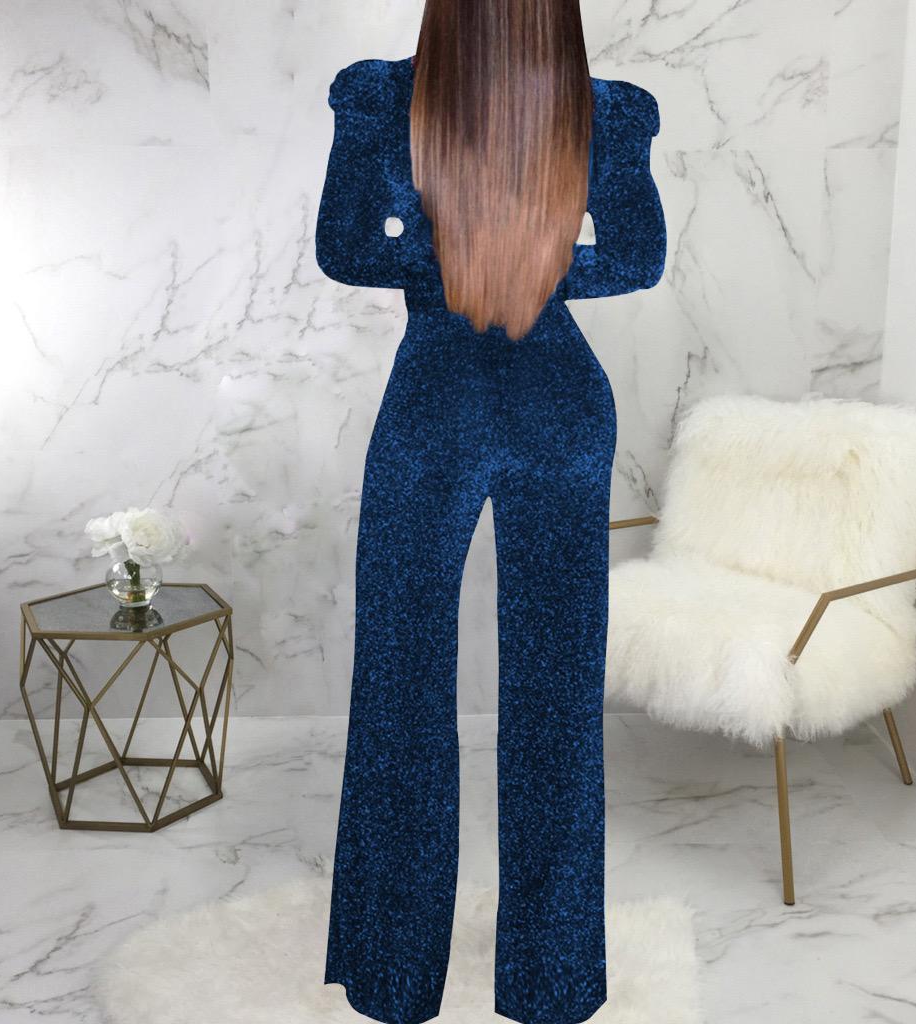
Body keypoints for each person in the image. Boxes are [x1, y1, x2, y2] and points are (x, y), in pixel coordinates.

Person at [315, 2, 666, 1022]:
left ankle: (393, 974)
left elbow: (347, 245)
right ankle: (551, 982)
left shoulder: (386, 95)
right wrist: (529, 267)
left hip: (438, 400)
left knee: (402, 681)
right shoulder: (600, 109)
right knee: (555, 698)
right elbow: (635, 257)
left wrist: (450, 266)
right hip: (559, 403)